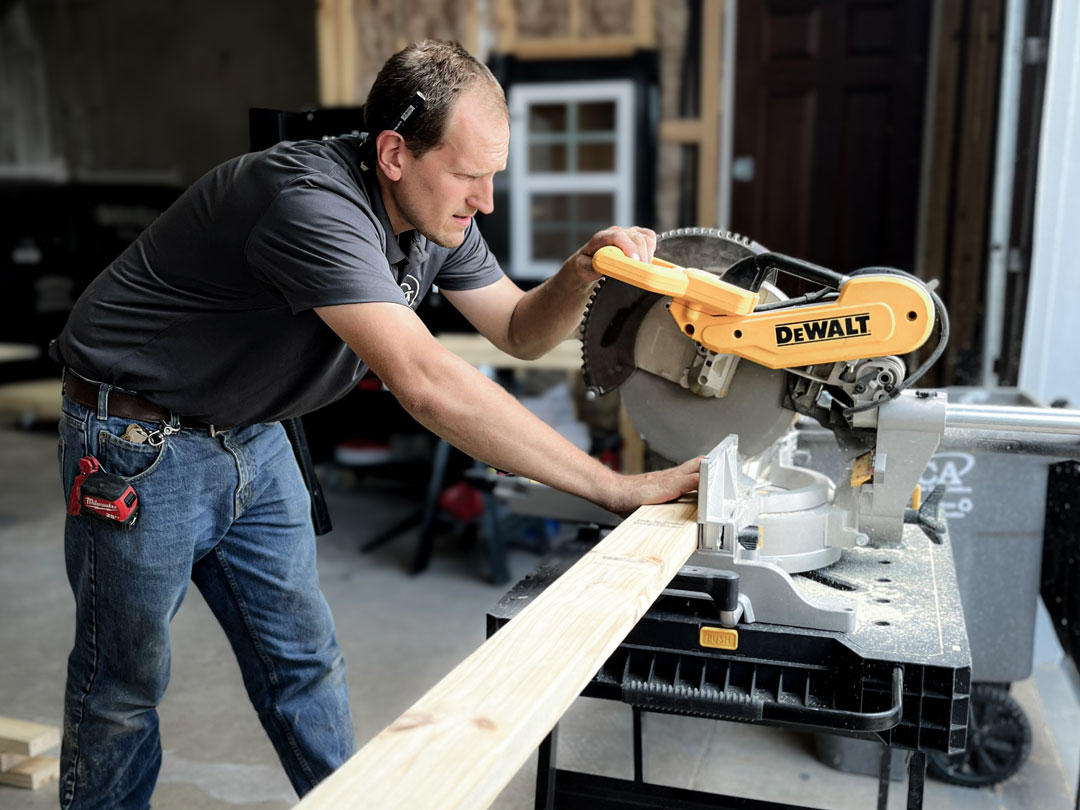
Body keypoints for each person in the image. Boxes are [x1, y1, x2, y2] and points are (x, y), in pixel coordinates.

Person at [51, 38, 700, 808]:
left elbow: (520, 329)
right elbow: (425, 385)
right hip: (136, 444)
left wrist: (584, 268)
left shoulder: (434, 213)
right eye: (468, 175)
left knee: (303, 661)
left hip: (252, 436)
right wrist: (612, 487)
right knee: (122, 690)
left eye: (494, 174)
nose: (485, 199)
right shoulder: (307, 202)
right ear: (394, 153)